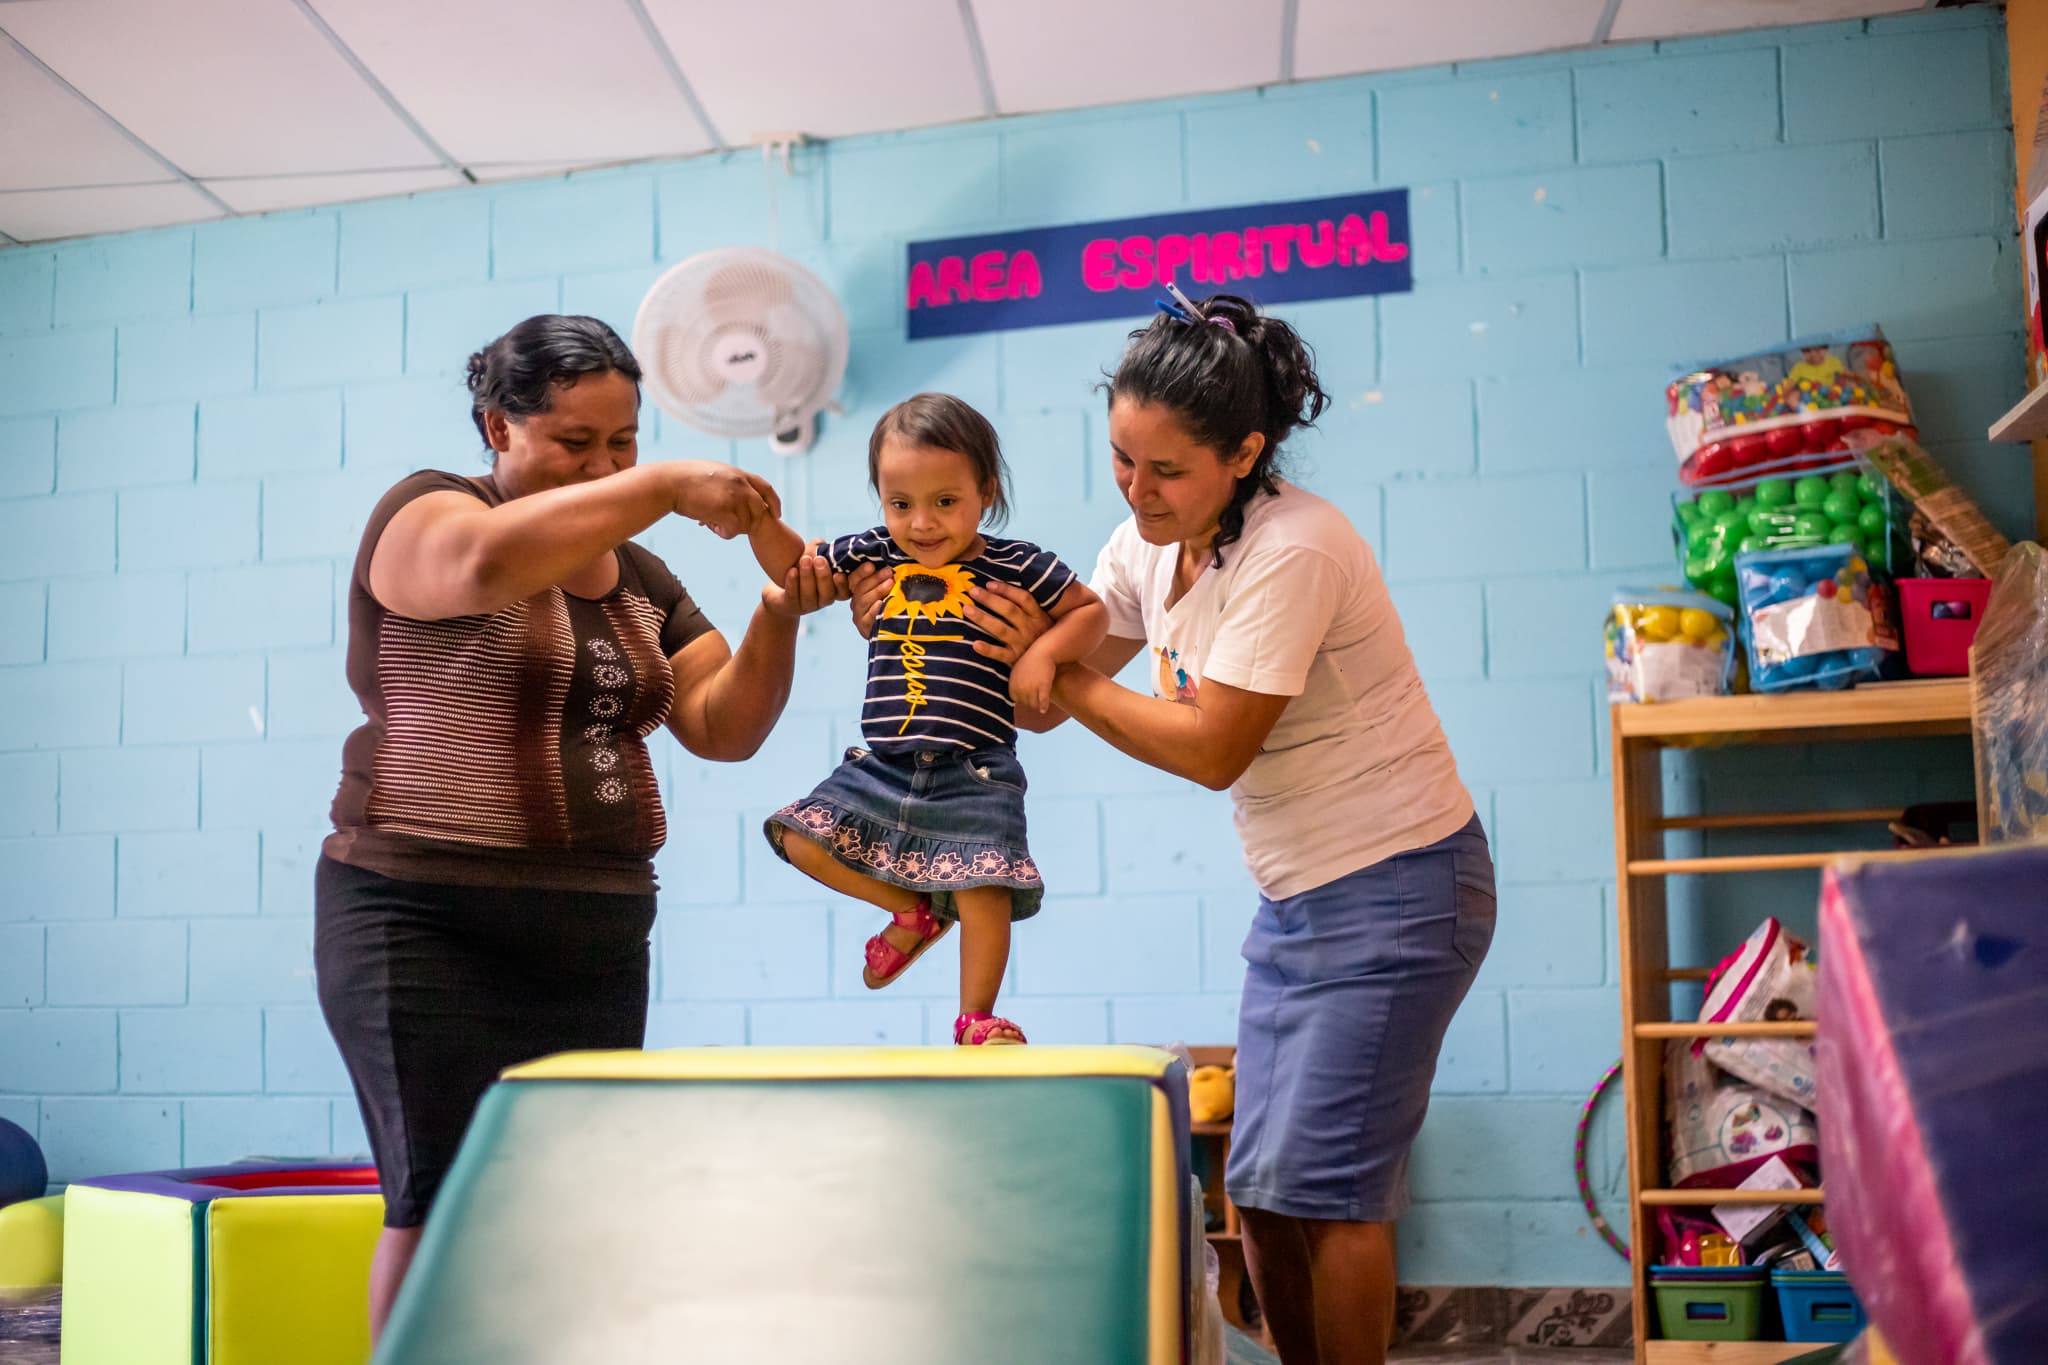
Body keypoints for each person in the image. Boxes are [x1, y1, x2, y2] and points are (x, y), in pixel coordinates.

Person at [856, 294, 1495, 1364]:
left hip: (1401, 886)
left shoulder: (1296, 547)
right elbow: (1039, 698)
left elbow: (1209, 750)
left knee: (1331, 1195)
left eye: (1165, 471)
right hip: (1296, 897)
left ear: (1244, 452)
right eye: (1119, 460)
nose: (1136, 491)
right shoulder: (1142, 547)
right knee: (1263, 1192)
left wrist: (1052, 662)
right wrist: (932, 619)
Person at [314, 315, 846, 1340]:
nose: (602, 466)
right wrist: (658, 489)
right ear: (496, 427)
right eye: (573, 443)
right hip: (421, 917)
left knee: (566, 1208)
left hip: (591, 933)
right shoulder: (428, 514)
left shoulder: (641, 579)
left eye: (623, 445)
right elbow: (474, 574)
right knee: (439, 1196)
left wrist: (777, 612)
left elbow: (721, 726)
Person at [750, 393, 1106, 1046]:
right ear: (880, 498)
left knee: (984, 884)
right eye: (900, 502)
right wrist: (757, 522)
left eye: (946, 501)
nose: (922, 523)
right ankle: (911, 911)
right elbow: (796, 570)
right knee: (797, 833)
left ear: (986, 491)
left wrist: (1047, 652)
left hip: (976, 766)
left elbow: (1092, 611)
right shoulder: (876, 555)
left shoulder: (1016, 563)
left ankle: (976, 1016)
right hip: (885, 765)